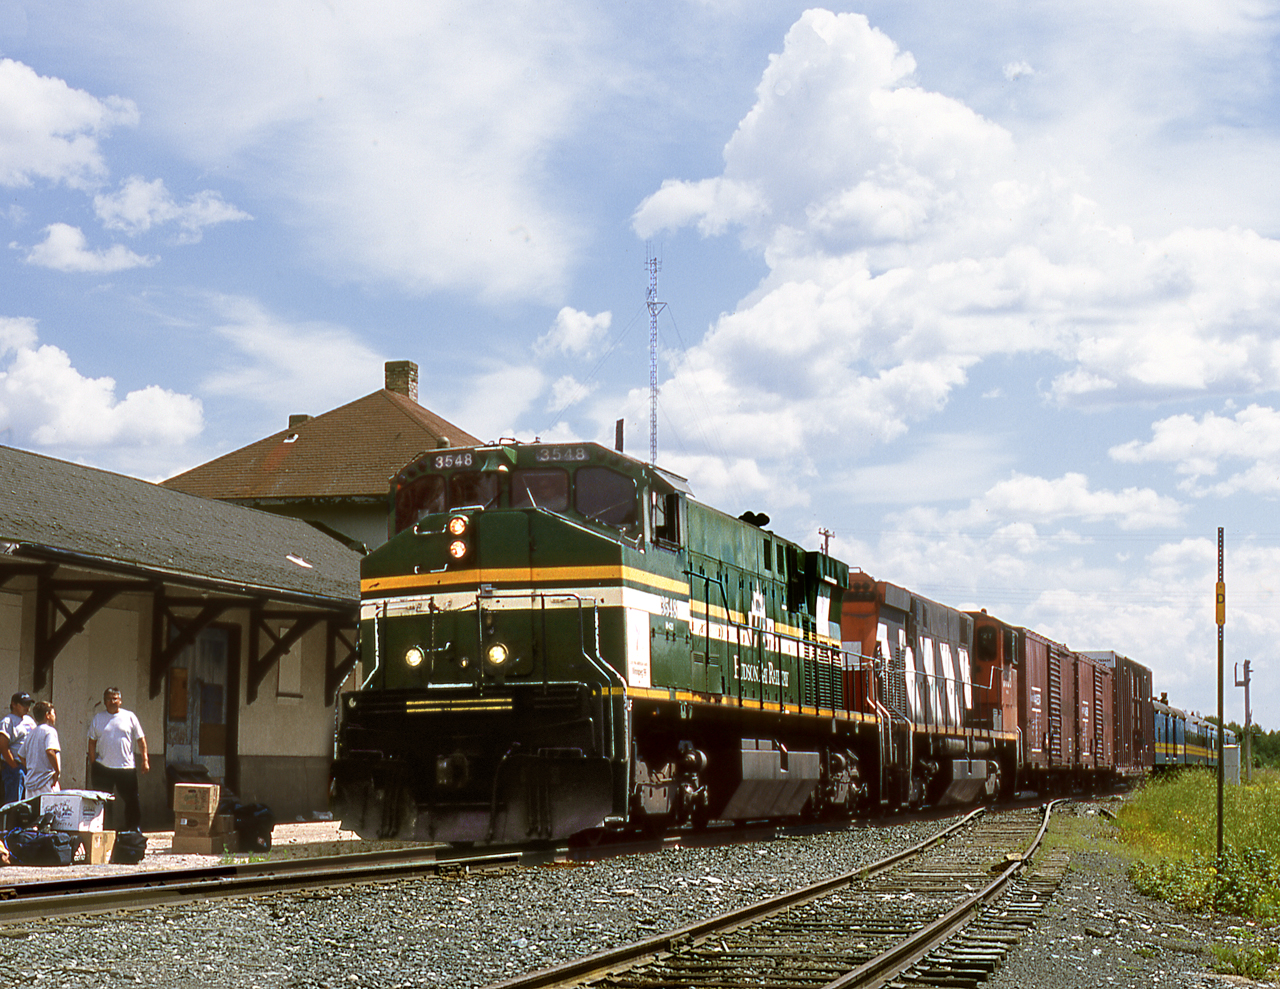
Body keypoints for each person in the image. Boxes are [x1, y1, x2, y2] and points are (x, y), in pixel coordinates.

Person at [87, 687, 149, 831]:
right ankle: (103, 830)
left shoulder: (130, 716)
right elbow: (91, 741)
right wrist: (93, 762)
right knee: (103, 802)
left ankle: (133, 831)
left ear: (120, 701)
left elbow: (141, 739)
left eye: (115, 698)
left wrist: (145, 759)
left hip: (126, 768)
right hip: (103, 768)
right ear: (104, 701)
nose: (112, 701)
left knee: (132, 801)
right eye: (109, 699)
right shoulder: (98, 718)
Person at [0, 692, 34, 804]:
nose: (27, 707)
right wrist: (14, 766)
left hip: (30, 766)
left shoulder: (29, 720)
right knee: (14, 802)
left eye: (28, 704)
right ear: (14, 704)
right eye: (23, 704)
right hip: (14, 767)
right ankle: (10, 821)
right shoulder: (8, 722)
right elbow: (3, 746)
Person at [24, 701, 60, 797]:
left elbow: (21, 755)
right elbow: (50, 751)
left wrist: (31, 767)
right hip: (46, 782)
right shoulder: (50, 731)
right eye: (53, 713)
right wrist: (57, 771)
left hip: (30, 785)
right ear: (47, 715)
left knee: (33, 811)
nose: (55, 716)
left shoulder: (31, 733)